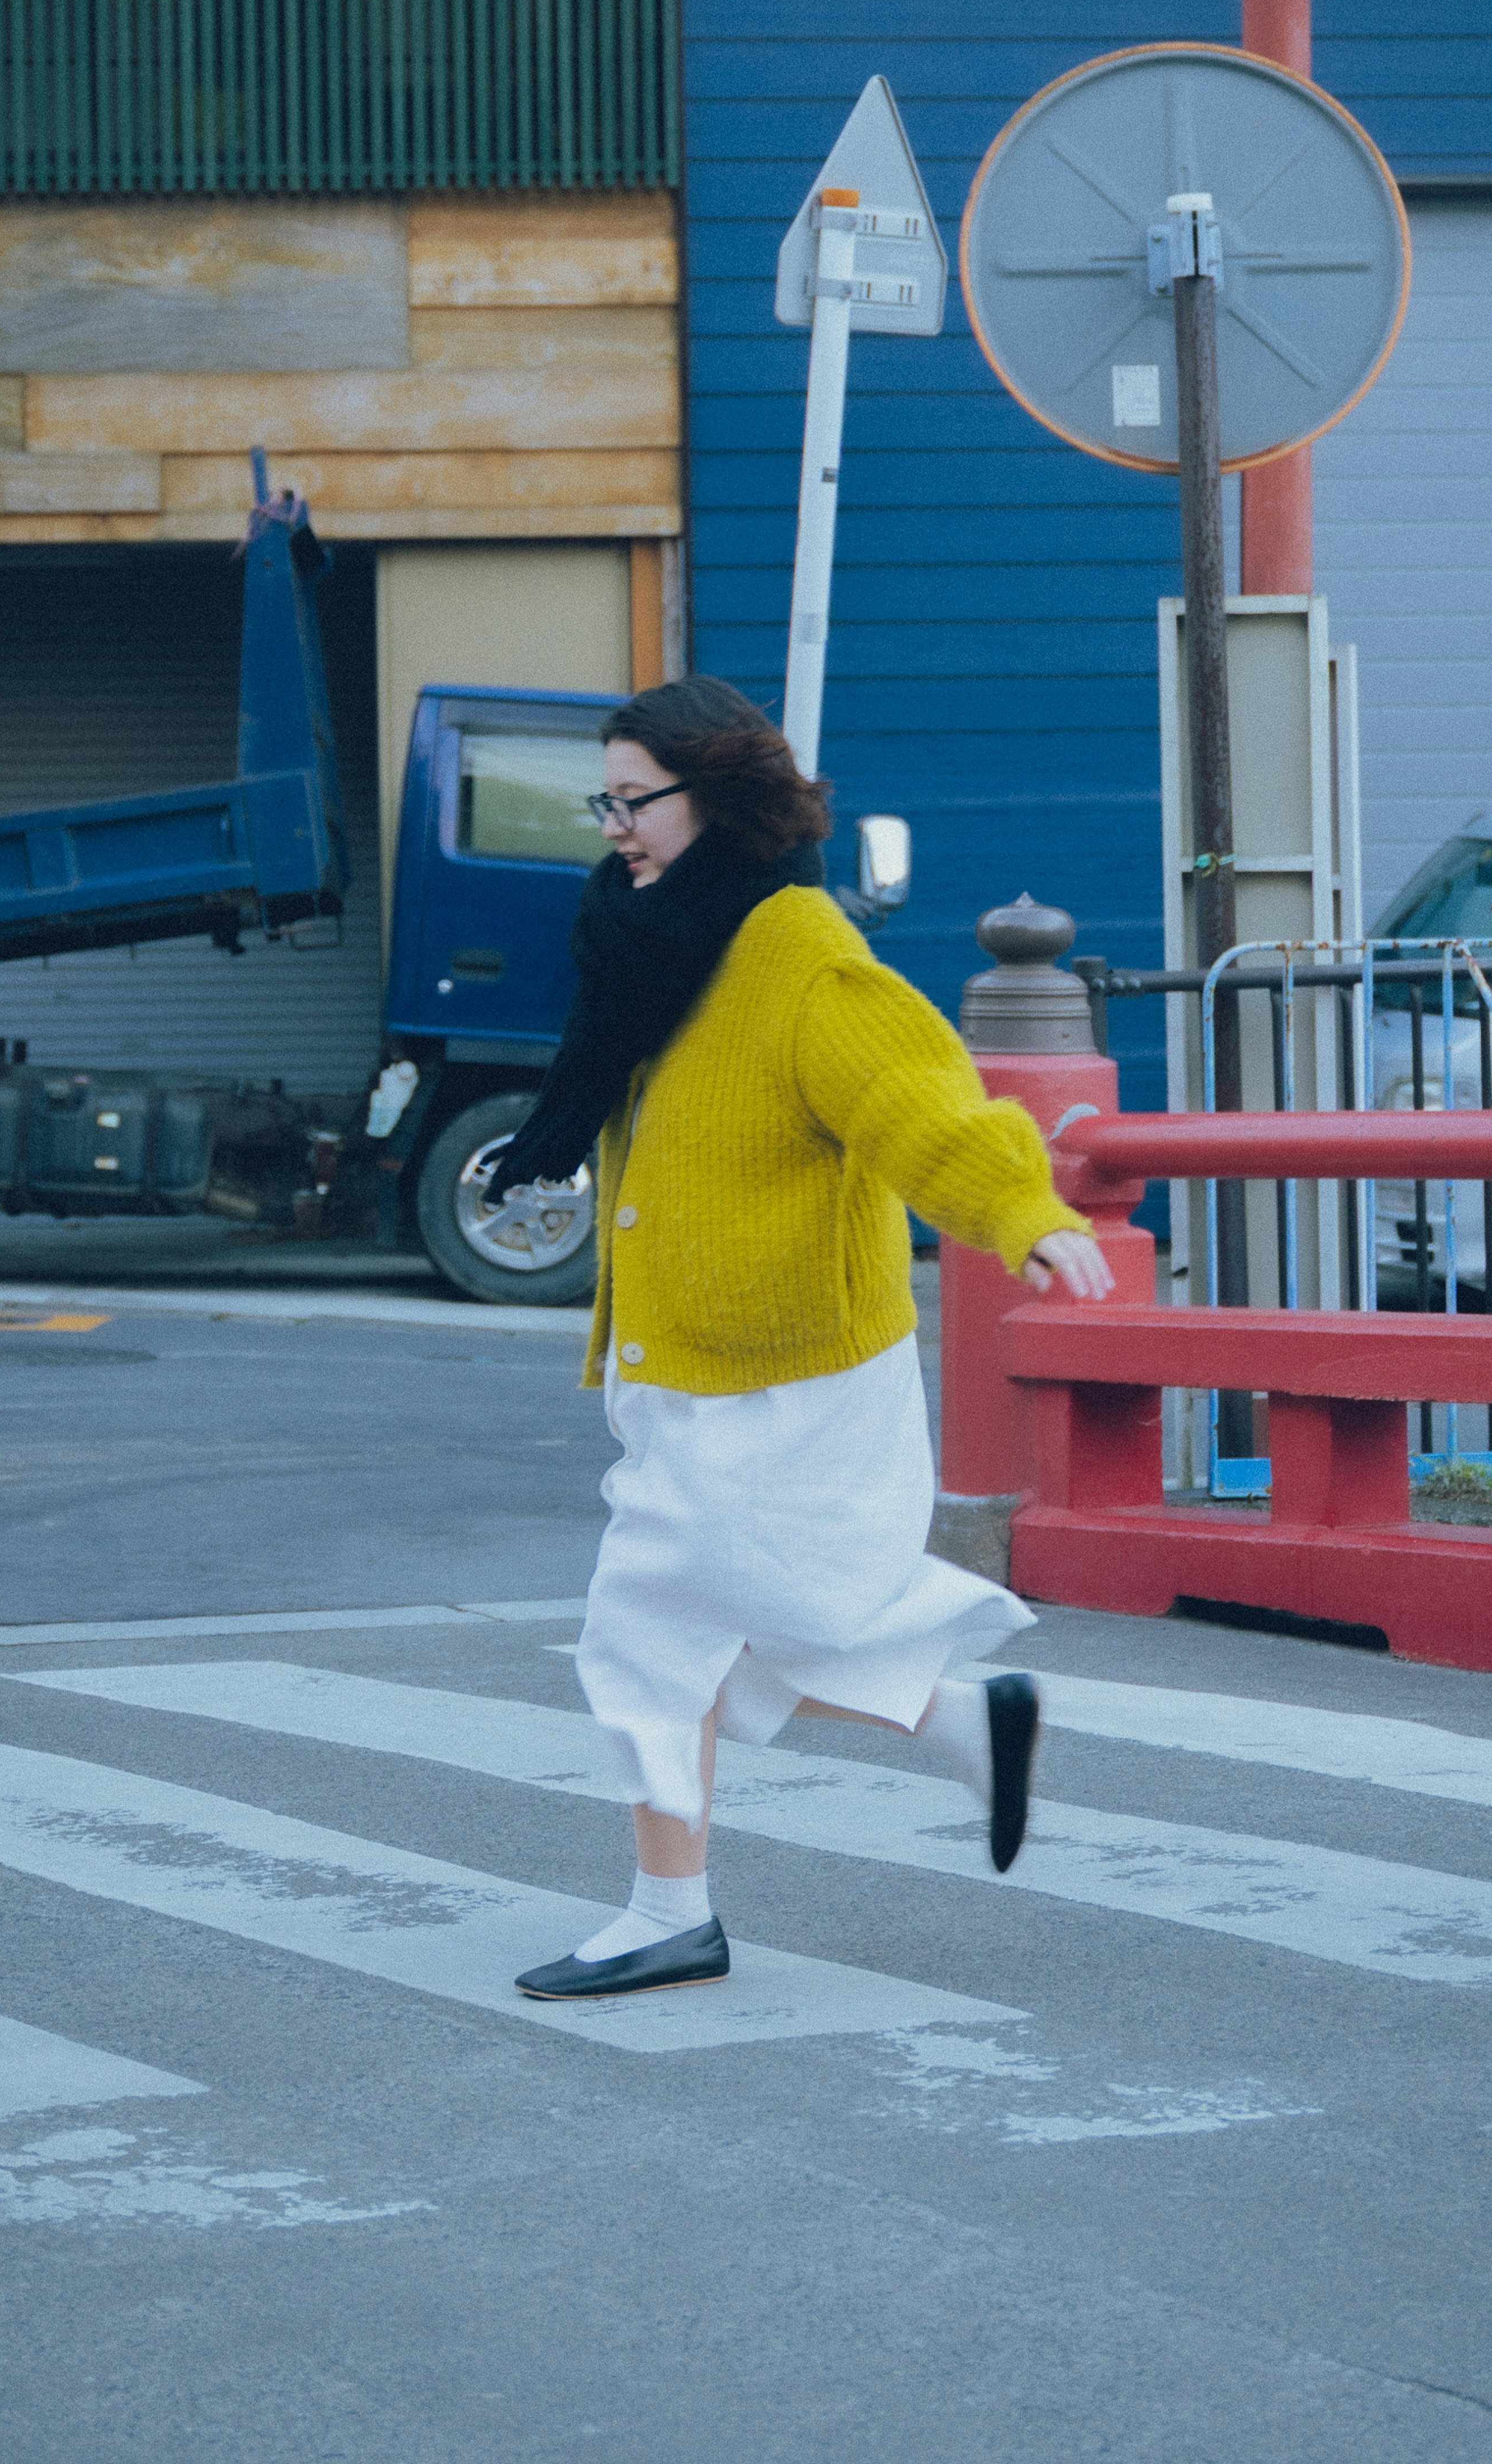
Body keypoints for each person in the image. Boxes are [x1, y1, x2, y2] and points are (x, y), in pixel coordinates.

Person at [487, 675, 1115, 2003]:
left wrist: (1021, 1211)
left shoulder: (795, 949)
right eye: (602, 801)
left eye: (634, 801)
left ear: (719, 796)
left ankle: (672, 1911)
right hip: (686, 1359)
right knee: (716, 1639)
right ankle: (954, 1727)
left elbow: (919, 1101)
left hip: (788, 1369)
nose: (615, 828)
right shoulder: (651, 943)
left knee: (649, 1634)